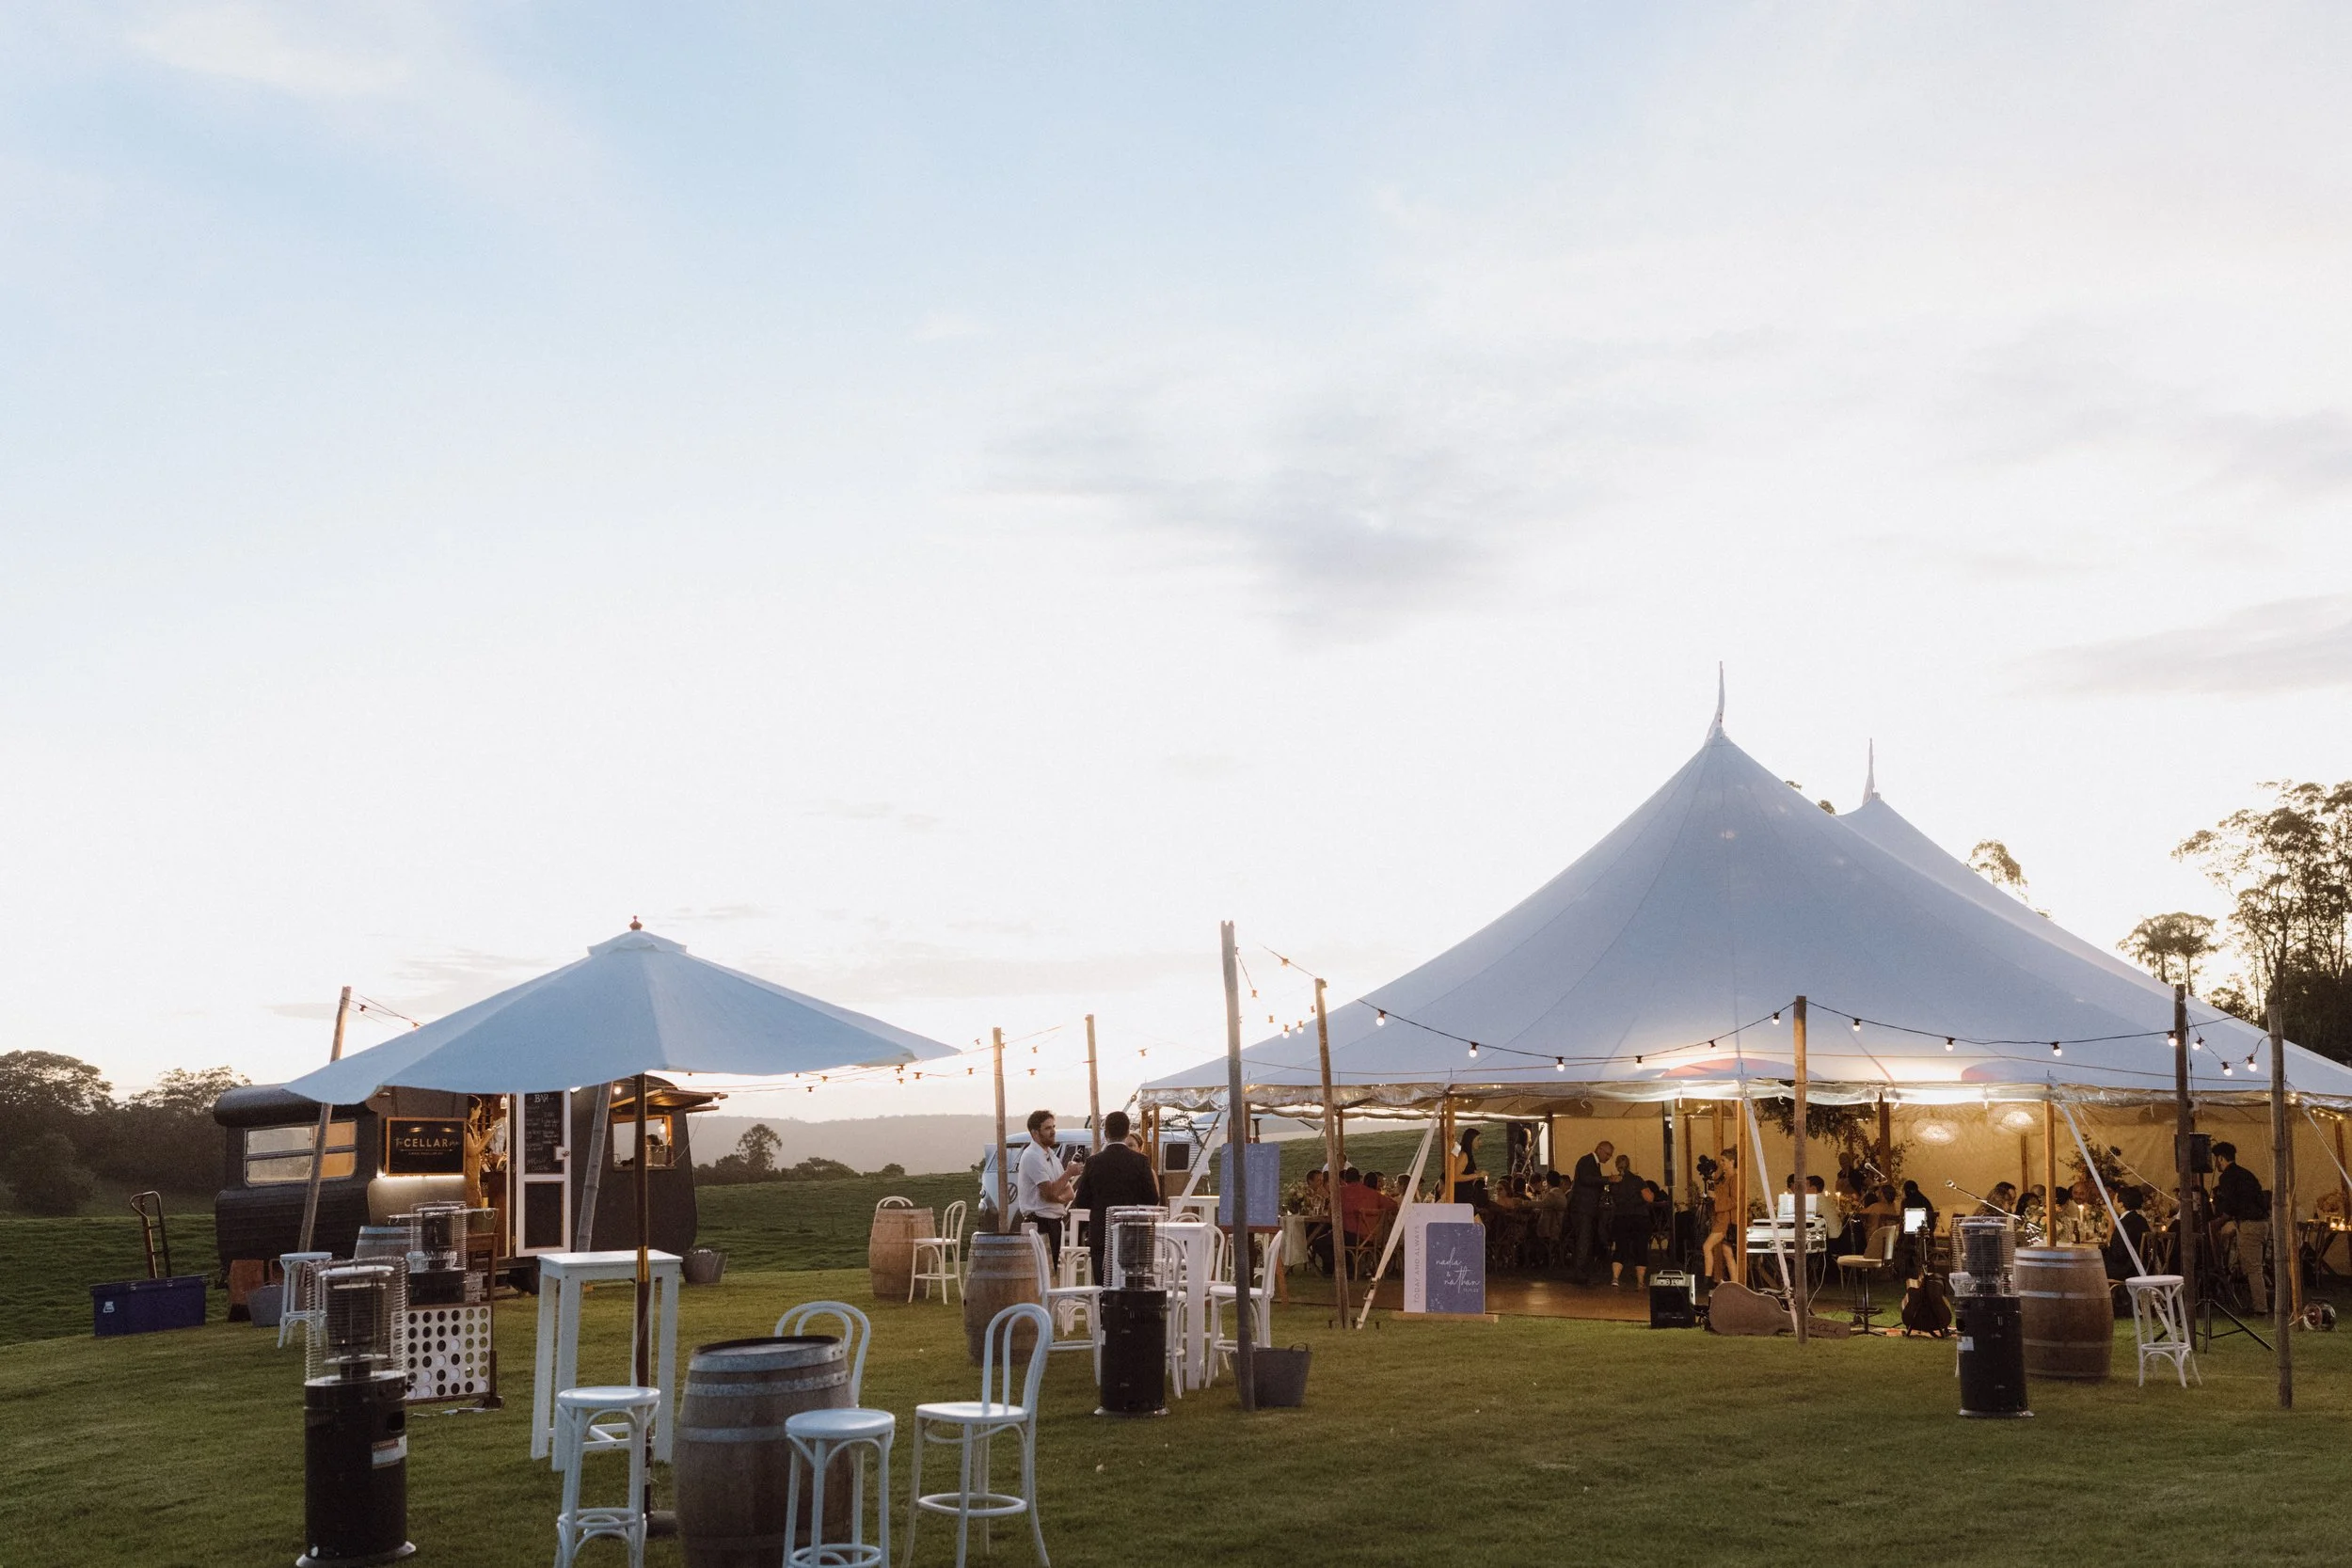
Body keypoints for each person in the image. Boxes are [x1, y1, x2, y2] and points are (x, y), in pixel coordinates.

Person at [1070, 1110, 1160, 1286]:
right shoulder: (1141, 1161)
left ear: (1106, 1134)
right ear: (1127, 1132)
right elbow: (1152, 1198)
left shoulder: (1093, 1162)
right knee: (1131, 1286)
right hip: (1132, 1233)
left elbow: (1081, 1201)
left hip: (1102, 1233)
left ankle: (1104, 1304)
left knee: (1103, 1284)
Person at [2211, 1141, 2271, 1314]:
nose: (2216, 1164)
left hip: (2250, 1224)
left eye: (2216, 1160)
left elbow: (2231, 1205)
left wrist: (2219, 1221)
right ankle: (2257, 1302)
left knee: (2253, 1269)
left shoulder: (2228, 1177)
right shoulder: (2247, 1174)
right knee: (2253, 1266)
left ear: (2220, 1158)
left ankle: (2260, 1307)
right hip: (2262, 1224)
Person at [1015, 1108, 1076, 1265]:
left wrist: (1056, 1197)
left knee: (1052, 1270)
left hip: (1054, 1222)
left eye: (1054, 1127)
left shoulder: (1051, 1156)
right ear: (1035, 1133)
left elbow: (1069, 1193)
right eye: (1048, 1128)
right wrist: (1069, 1173)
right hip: (1040, 1223)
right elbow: (1050, 1191)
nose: (1053, 1131)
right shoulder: (1032, 1156)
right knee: (1042, 1271)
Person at [1568, 1140, 1614, 1283]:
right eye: (1607, 1154)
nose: (1608, 1158)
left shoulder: (1591, 1163)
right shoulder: (1587, 1161)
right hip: (1583, 1209)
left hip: (1586, 1208)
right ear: (1599, 1149)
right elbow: (1587, 1179)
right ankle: (1580, 1273)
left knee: (1585, 1240)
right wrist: (1607, 1179)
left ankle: (1582, 1272)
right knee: (1584, 1240)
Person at [1611, 1161, 1653, 1286]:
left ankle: (1615, 1278)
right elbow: (1649, 1198)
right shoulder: (1637, 1180)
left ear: (1616, 1166)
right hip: (1639, 1218)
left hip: (1620, 1218)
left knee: (1620, 1248)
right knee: (1640, 1248)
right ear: (1629, 1165)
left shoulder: (1614, 1182)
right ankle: (1640, 1281)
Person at [1449, 1128, 1489, 1207]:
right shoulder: (1464, 1155)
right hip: (1461, 1196)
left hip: (1465, 1195)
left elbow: (1465, 1171)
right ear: (1471, 1140)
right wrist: (1477, 1175)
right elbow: (1455, 1177)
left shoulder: (1464, 1152)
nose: (1480, 1142)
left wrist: (1476, 1173)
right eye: (1478, 1139)